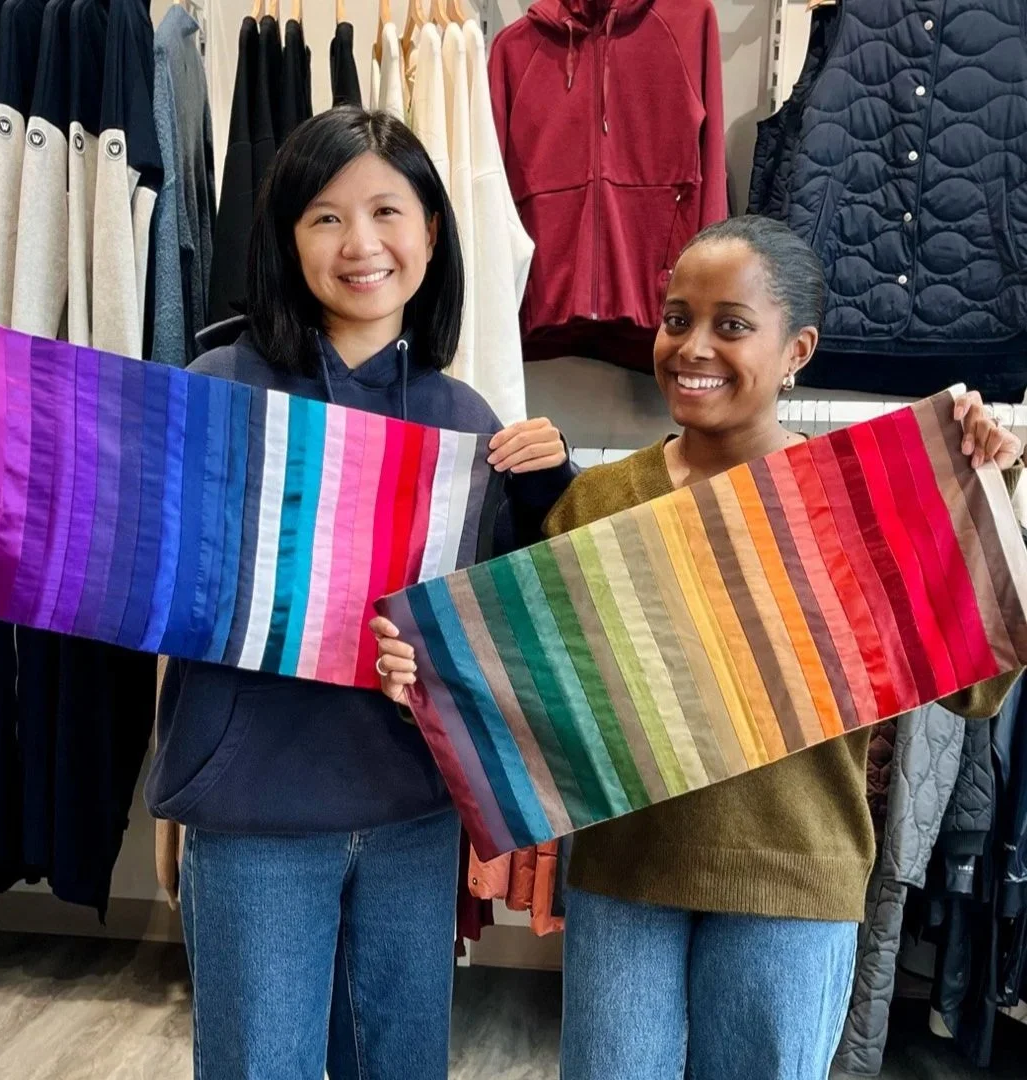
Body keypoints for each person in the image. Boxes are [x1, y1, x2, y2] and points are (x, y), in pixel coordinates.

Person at [372, 215, 1024, 1080]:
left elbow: (979, 689)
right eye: (676, 318)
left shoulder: (855, 507)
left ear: (797, 350)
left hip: (794, 885)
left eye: (732, 324)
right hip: (624, 880)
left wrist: (983, 494)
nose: (693, 347)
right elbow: (535, 691)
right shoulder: (599, 501)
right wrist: (422, 671)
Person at [145, 107, 576, 1080]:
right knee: (261, 1065)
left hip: (410, 816)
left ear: (432, 230)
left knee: (401, 1062)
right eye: (326, 217)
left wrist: (547, 491)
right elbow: (164, 590)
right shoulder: (219, 386)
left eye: (387, 211)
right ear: (287, 237)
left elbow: (513, 644)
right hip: (254, 812)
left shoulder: (468, 422)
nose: (361, 244)